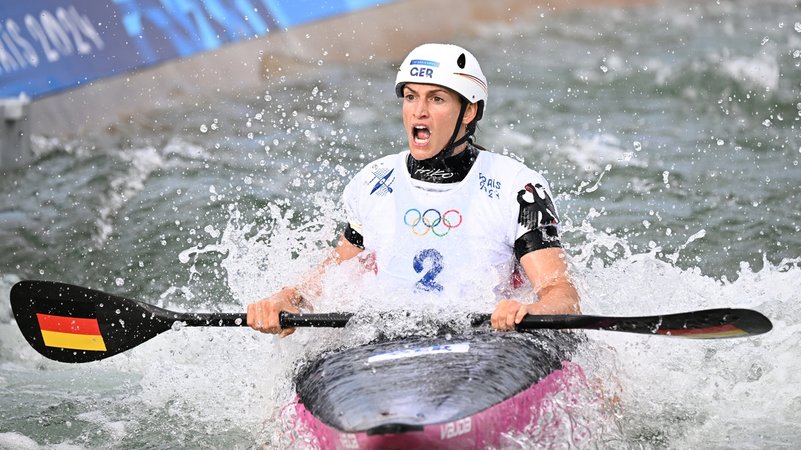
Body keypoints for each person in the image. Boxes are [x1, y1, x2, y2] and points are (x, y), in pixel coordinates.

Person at [248, 43, 580, 337]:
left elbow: (559, 291)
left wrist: (532, 311)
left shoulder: (518, 187)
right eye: (411, 97)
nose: (418, 111)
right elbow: (331, 277)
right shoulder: (375, 182)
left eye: (436, 99)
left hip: (485, 343)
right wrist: (287, 299)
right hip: (387, 341)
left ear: (469, 111)